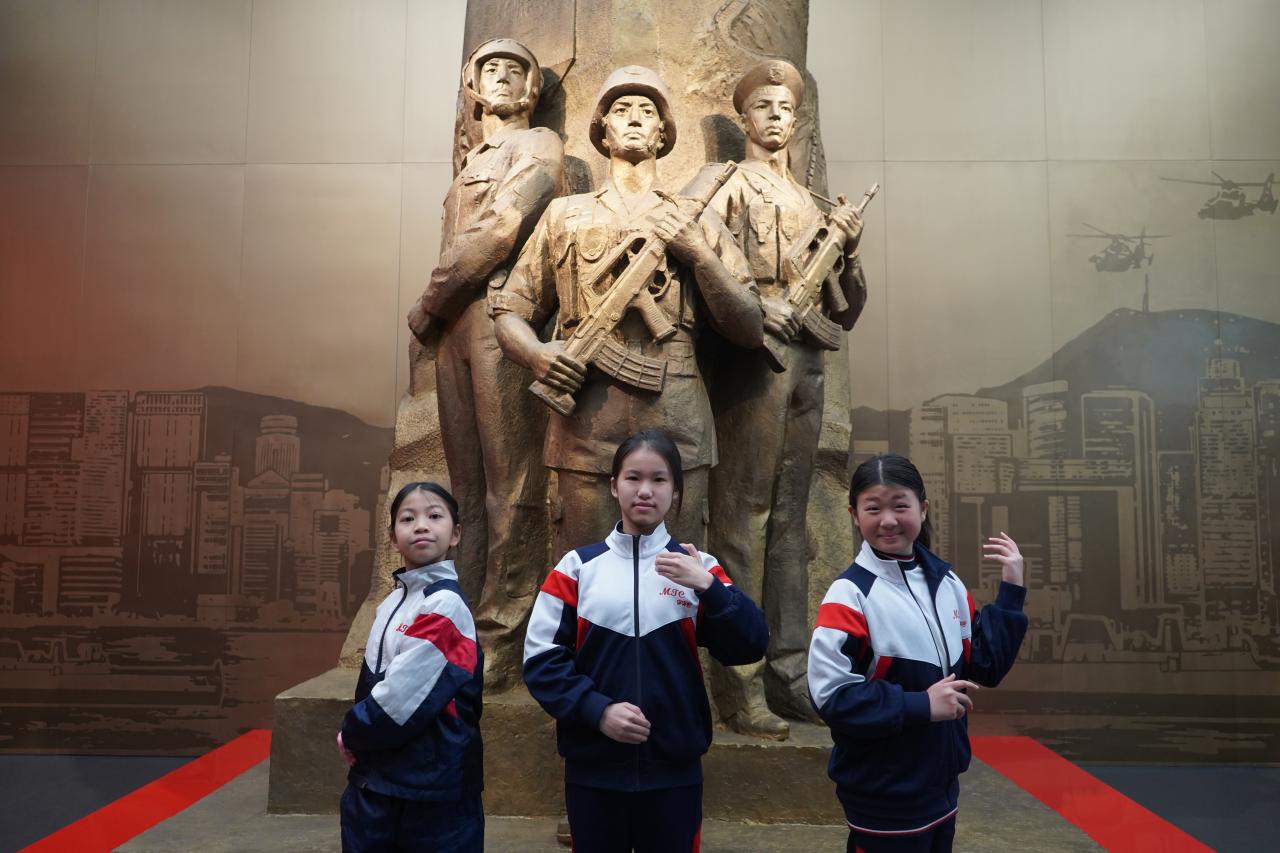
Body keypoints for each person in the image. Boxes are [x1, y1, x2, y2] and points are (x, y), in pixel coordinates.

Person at [491, 65, 763, 559]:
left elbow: (749, 325)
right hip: (586, 420)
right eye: (621, 110)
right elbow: (511, 309)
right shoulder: (565, 215)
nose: (635, 118)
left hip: (677, 414)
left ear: (663, 132)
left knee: (677, 576)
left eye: (647, 111)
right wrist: (536, 355)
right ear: (603, 130)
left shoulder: (695, 218)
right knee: (585, 571)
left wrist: (699, 254)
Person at [702, 58, 867, 739]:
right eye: (763, 106)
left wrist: (848, 252)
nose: (775, 116)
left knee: (792, 522)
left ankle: (790, 673)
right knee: (744, 520)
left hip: (809, 364)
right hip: (755, 361)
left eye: (785, 108)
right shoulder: (726, 187)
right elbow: (703, 269)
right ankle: (738, 684)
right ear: (743, 118)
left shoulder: (819, 204)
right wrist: (753, 308)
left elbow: (848, 309)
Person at [522, 429, 769, 852]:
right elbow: (541, 662)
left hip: (674, 771)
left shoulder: (699, 567)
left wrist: (709, 588)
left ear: (676, 491)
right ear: (613, 485)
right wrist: (598, 711)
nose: (645, 491)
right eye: (633, 477)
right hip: (594, 770)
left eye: (659, 479)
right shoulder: (577, 568)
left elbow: (750, 644)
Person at [406, 38, 564, 689]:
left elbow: (501, 228)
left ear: (532, 89)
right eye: (488, 69)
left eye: (514, 70)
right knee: (466, 488)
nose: (500, 77)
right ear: (472, 88)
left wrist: (429, 301)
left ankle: (503, 630)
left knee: (512, 483)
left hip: (501, 318)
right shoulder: (471, 159)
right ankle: (458, 617)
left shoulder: (539, 145)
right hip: (456, 327)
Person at [807, 454, 1028, 852]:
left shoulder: (948, 584)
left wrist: (1012, 591)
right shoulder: (849, 595)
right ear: (854, 516)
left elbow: (986, 666)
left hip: (942, 790)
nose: (888, 520)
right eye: (873, 508)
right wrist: (921, 704)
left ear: (922, 509)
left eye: (900, 505)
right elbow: (832, 697)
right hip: (882, 796)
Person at [337, 482, 483, 853]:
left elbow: (402, 698)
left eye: (434, 516)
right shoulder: (392, 603)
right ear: (392, 538)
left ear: (456, 533)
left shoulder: (445, 604)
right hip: (378, 780)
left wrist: (352, 733)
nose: (421, 526)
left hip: (432, 787)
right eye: (407, 518)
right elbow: (372, 686)